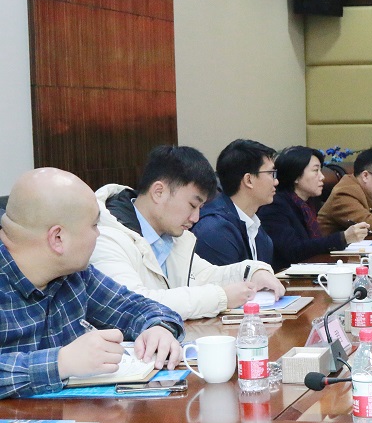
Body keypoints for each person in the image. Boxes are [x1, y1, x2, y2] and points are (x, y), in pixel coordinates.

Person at [0, 168, 183, 399]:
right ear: (58, 238)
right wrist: (61, 363)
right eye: (94, 225)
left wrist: (158, 328)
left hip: (74, 416)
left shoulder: (75, 275)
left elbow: (133, 307)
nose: (98, 235)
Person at [91, 146, 286, 320]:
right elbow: (135, 304)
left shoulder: (175, 236)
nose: (196, 217)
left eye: (200, 207)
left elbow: (206, 276)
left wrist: (252, 272)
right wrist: (221, 298)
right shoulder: (104, 237)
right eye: (192, 205)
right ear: (159, 192)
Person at [259, 146, 370, 270]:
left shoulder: (309, 202)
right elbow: (293, 250)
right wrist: (342, 238)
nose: (322, 177)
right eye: (316, 170)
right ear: (296, 176)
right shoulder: (275, 206)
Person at [193, 139, 277, 266]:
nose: (276, 181)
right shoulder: (215, 231)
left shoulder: (255, 228)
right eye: (271, 173)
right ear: (248, 180)